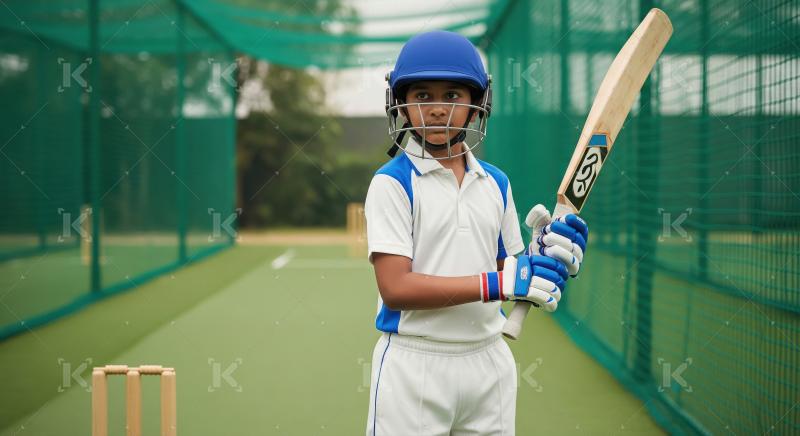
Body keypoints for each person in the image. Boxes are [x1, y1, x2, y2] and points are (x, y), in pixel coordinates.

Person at [364, 30, 589, 435]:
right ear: (400, 103)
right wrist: (499, 282)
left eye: (452, 95)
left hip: (490, 363)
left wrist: (545, 259)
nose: (437, 110)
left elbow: (511, 270)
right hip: (415, 365)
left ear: (477, 102)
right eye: (422, 96)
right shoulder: (392, 183)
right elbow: (396, 287)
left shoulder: (496, 183)